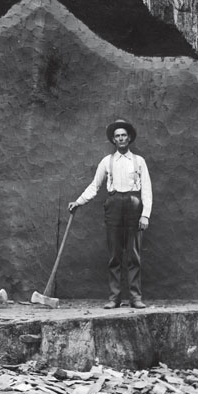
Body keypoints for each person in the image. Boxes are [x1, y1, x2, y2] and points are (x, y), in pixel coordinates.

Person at [68, 119, 152, 309]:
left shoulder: (139, 161)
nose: (121, 138)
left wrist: (145, 214)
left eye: (123, 135)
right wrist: (78, 202)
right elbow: (95, 186)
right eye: (117, 136)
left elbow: (146, 189)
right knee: (114, 255)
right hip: (113, 206)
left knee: (133, 255)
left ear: (129, 138)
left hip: (133, 205)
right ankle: (114, 298)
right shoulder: (107, 161)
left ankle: (135, 298)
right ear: (113, 140)